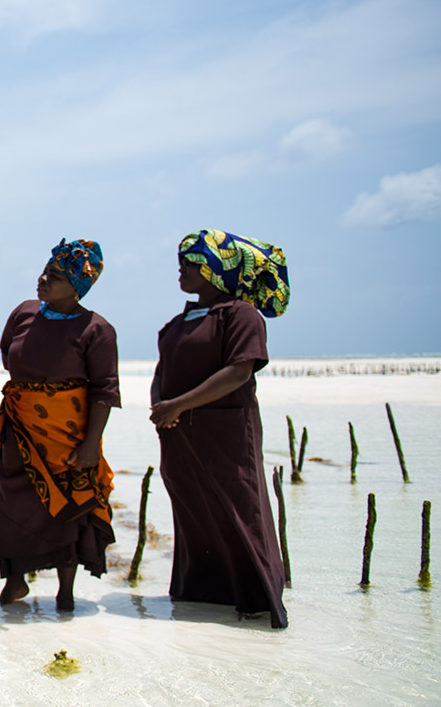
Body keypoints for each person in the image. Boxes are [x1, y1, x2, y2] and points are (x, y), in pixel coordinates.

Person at [150, 229, 290, 629]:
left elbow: (238, 372)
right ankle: (202, 595)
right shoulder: (178, 321)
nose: (182, 270)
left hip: (225, 432)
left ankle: (255, 596)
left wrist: (177, 404)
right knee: (193, 508)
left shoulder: (240, 315)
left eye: (192, 263)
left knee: (238, 507)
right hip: (178, 431)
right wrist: (162, 405)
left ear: (218, 268)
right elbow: (163, 370)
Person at [0, 239, 118, 611]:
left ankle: (65, 592)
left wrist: (91, 444)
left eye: (56, 276)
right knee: (11, 501)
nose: (43, 279)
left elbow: (105, 391)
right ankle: (15, 583)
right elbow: (8, 351)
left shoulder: (97, 329)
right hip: (21, 428)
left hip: (67, 436)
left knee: (66, 507)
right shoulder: (24, 313)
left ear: (78, 285)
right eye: (45, 270)